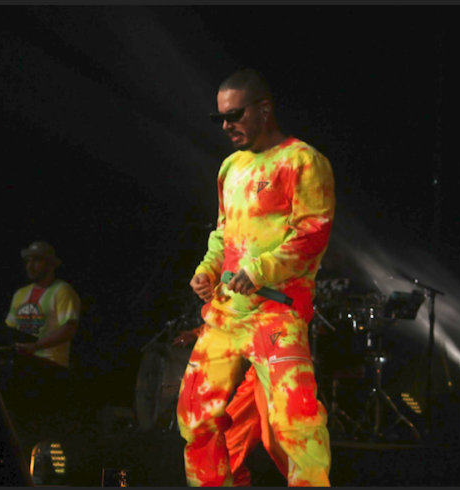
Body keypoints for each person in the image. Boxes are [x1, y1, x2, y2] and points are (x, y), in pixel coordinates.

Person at [178, 68, 334, 487]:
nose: (226, 125)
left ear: (264, 110)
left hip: (277, 312)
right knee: (195, 415)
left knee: (295, 425)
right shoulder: (230, 167)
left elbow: (312, 233)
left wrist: (260, 269)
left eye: (235, 115)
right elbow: (222, 233)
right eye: (220, 118)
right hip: (227, 312)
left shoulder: (303, 161)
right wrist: (207, 270)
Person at [174, 325, 288, 486]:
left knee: (274, 443)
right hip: (262, 368)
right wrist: (196, 332)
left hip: (274, 369)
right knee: (230, 450)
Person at [0, 240, 81, 466]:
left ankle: (46, 469)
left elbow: (69, 328)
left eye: (36, 260)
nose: (30, 265)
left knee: (42, 427)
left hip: (50, 368)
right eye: (27, 260)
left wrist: (35, 346)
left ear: (51, 264)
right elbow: (9, 329)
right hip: (22, 367)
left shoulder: (62, 291)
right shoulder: (20, 294)